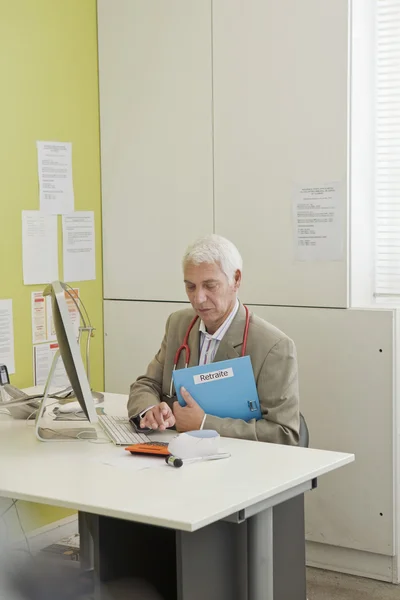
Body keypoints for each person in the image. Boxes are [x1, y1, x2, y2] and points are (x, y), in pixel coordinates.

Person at [128, 234, 300, 445]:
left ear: (236, 280)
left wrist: (204, 424)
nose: (198, 298)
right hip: (179, 459)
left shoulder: (274, 347)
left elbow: (284, 434)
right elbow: (146, 384)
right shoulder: (178, 324)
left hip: (241, 467)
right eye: (190, 287)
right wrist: (150, 410)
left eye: (210, 286)